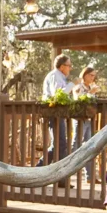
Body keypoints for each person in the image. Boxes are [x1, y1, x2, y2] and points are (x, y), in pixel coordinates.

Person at [39, 54, 74, 183]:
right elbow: (58, 95)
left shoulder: (61, 77)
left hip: (58, 113)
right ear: (62, 66)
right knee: (59, 144)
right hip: (53, 113)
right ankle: (42, 171)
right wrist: (72, 85)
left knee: (60, 144)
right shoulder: (55, 75)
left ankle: (59, 178)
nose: (70, 68)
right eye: (69, 65)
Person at [71, 66, 99, 183]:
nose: (93, 77)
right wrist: (89, 93)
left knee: (90, 146)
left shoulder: (91, 87)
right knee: (76, 144)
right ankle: (69, 171)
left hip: (89, 119)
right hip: (80, 118)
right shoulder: (78, 87)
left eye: (94, 75)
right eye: (91, 75)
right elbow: (79, 100)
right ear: (85, 75)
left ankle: (90, 176)